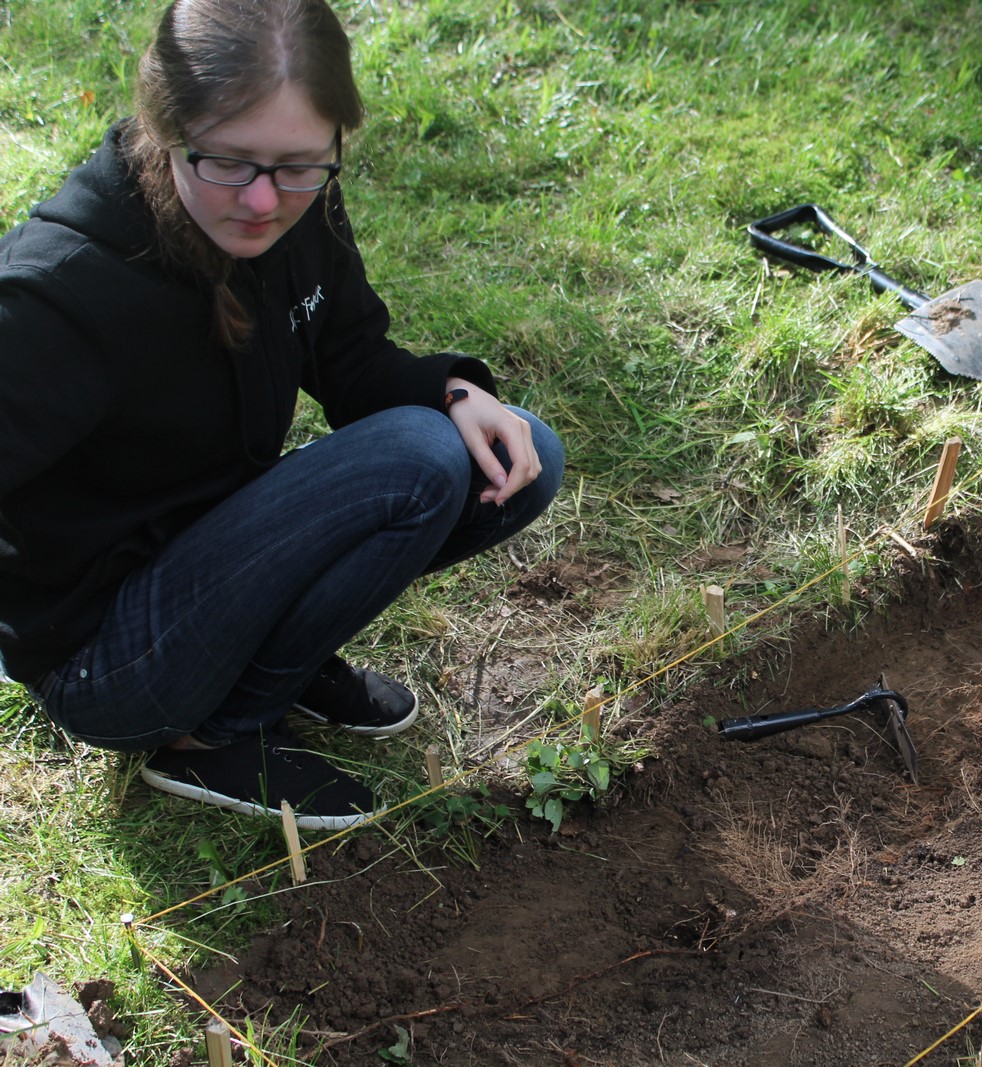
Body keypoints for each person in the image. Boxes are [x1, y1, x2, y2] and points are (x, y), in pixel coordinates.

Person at [0, 0, 563, 830]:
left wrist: (453, 389)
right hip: (105, 657)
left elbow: (352, 358)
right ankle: (210, 734)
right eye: (231, 163)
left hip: (214, 556)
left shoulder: (302, 206)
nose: (264, 200)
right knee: (420, 456)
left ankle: (271, 668)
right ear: (166, 129)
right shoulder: (57, 293)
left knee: (520, 454)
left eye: (300, 165)